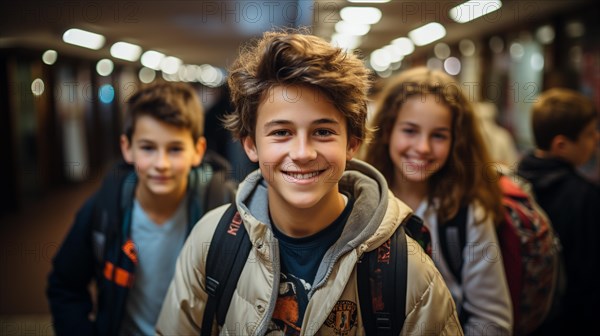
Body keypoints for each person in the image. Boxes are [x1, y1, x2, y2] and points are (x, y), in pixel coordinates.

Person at [156, 31, 461, 335]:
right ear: (250, 145)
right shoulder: (211, 242)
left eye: (323, 132)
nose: (302, 153)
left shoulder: (408, 272)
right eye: (281, 132)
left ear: (352, 143)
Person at [46, 82, 237, 335]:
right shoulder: (105, 209)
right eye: (148, 148)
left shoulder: (222, 207)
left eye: (175, 149)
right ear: (127, 148)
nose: (161, 163)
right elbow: (65, 284)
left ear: (198, 151)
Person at [363, 67, 513, 335]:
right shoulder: (361, 203)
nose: (423, 147)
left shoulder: (466, 215)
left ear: (456, 142)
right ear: (386, 131)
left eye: (439, 135)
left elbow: (493, 320)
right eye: (410, 130)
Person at [517, 88, 600, 335]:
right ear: (561, 145)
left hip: (528, 316)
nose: (596, 138)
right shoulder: (585, 197)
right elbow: (591, 277)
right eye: (588, 133)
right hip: (570, 321)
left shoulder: (517, 182)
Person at [472, 101, 519, 168]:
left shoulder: (503, 136)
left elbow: (512, 163)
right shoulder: (472, 138)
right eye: (480, 120)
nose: (484, 124)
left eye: (487, 119)